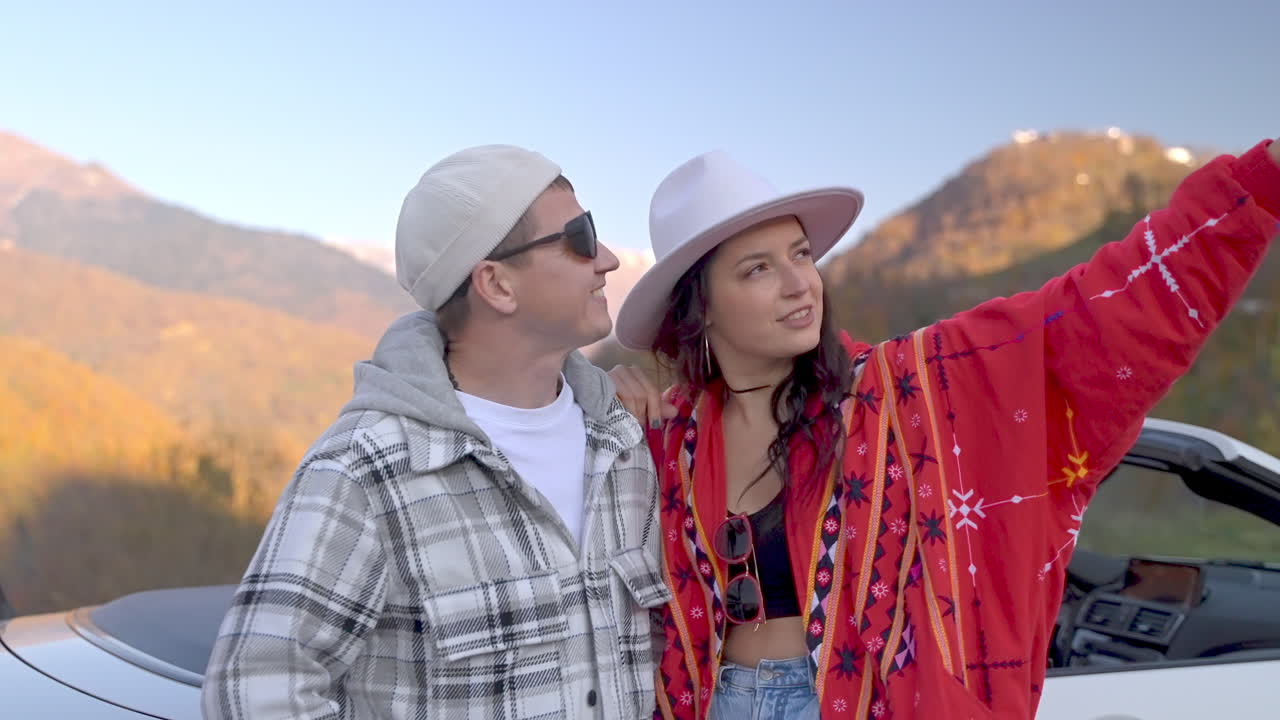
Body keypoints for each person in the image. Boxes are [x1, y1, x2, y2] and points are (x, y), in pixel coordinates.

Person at [608, 139, 1280, 719]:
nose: (799, 284)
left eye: (801, 254)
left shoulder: (905, 393)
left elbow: (1096, 316)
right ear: (700, 308)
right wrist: (596, 397)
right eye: (758, 269)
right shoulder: (667, 439)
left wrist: (1256, 183)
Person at [202, 144, 671, 720]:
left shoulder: (624, 443)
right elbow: (252, 694)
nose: (606, 259)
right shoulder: (366, 471)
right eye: (580, 236)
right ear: (497, 285)